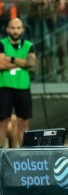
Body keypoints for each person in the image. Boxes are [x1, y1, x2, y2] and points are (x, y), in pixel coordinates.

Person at [0, 18, 36, 148]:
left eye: (18, 28)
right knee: (3, 122)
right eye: (13, 28)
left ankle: (24, 154)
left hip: (23, 87)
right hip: (4, 87)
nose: (15, 31)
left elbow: (31, 64)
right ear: (8, 29)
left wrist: (11, 58)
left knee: (23, 123)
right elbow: (1, 64)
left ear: (23, 30)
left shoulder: (28, 45)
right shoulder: (2, 43)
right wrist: (22, 63)